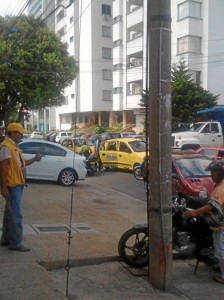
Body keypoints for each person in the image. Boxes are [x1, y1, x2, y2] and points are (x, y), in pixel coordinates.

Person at [0, 123, 42, 252]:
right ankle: (16, 242)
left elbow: (22, 165)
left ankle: (6, 239)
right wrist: (4, 188)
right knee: (16, 215)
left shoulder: (14, 147)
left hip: (17, 184)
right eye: (20, 133)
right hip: (12, 186)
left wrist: (34, 159)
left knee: (9, 214)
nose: (22, 135)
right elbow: (2, 169)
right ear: (12, 133)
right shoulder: (6, 147)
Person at [183, 160, 224, 284]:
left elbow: (213, 205)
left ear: (220, 173)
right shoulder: (220, 185)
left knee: (221, 251)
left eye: (213, 173)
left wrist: (195, 212)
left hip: (221, 226)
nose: (211, 176)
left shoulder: (221, 188)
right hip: (220, 223)